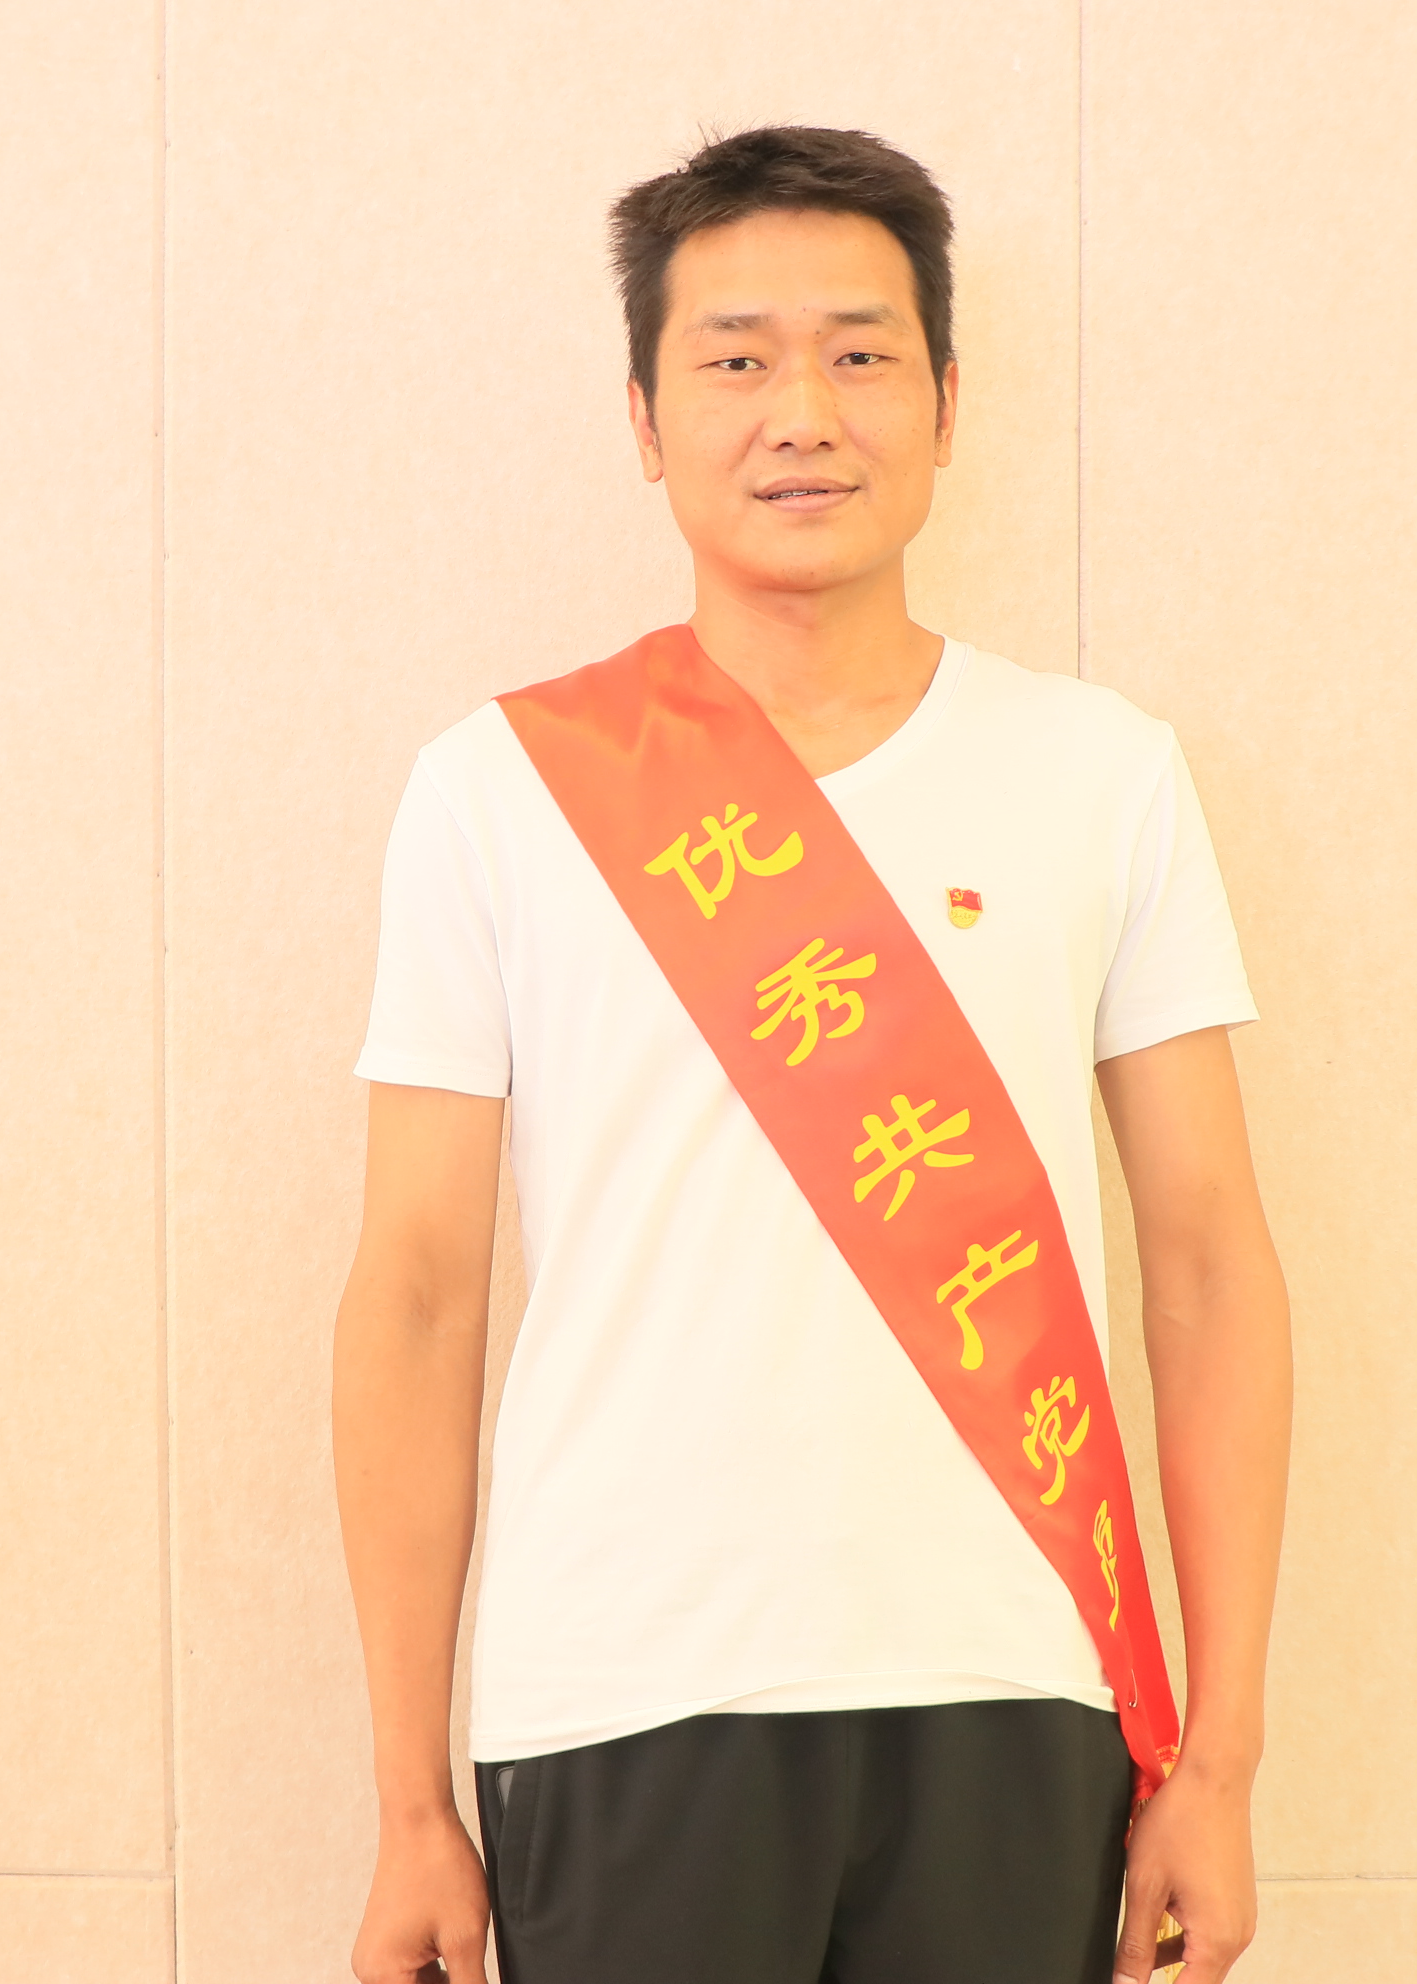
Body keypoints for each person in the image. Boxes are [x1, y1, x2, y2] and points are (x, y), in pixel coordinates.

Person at [334, 125, 1294, 1984]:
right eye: (736, 359)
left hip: (1018, 1678)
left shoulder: (1100, 775)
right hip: (623, 1689)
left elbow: (1207, 1267)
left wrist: (1222, 1761)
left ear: (946, 402)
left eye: (861, 355)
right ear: (645, 418)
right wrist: (406, 1804)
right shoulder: (500, 792)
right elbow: (419, 1299)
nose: (804, 415)